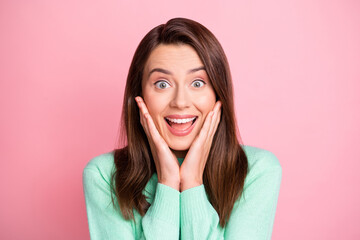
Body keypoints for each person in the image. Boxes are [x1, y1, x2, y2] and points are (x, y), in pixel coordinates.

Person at [83, 17, 282, 240]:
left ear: (218, 93)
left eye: (197, 83)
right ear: (139, 95)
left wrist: (192, 184)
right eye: (162, 84)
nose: (180, 101)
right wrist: (167, 183)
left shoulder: (256, 171)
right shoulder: (104, 176)